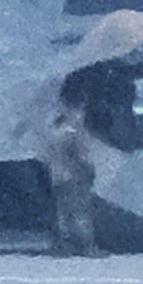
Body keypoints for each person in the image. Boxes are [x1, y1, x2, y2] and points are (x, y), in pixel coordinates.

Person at [45, 108, 99, 256]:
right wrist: (88, 170)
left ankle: (65, 244)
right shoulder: (71, 134)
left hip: (57, 176)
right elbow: (78, 156)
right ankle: (87, 246)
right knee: (80, 211)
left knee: (63, 211)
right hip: (74, 176)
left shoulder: (54, 134)